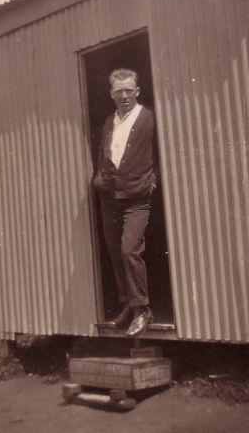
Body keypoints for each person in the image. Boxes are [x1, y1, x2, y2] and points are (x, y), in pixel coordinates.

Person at [93, 68, 158, 337]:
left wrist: (154, 180)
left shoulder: (149, 118)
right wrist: (100, 179)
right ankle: (128, 307)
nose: (124, 96)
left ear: (137, 91)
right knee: (114, 252)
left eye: (129, 90)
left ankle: (143, 309)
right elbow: (104, 153)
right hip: (110, 197)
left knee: (129, 249)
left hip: (137, 198)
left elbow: (163, 150)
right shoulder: (110, 121)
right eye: (119, 91)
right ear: (111, 94)